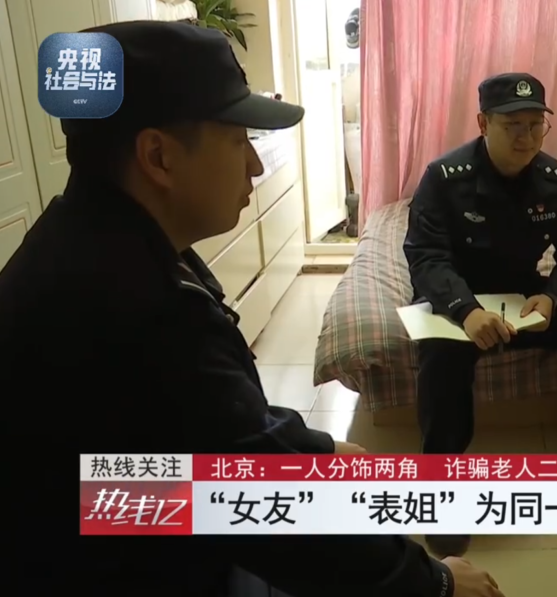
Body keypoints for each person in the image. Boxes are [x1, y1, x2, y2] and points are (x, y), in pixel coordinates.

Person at [0, 21, 502, 597]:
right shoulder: (139, 307)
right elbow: (267, 505)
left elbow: (220, 427)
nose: (256, 167)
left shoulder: (90, 237)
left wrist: (317, 448)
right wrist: (436, 582)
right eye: (240, 141)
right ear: (158, 156)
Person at [403, 73, 557, 557]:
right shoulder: (444, 178)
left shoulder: (556, 181)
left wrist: (553, 298)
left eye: (535, 125)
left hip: (523, 300)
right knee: (440, 352)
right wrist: (466, 311)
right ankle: (442, 486)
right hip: (458, 301)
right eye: (513, 126)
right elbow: (426, 257)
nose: (526, 137)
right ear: (483, 123)